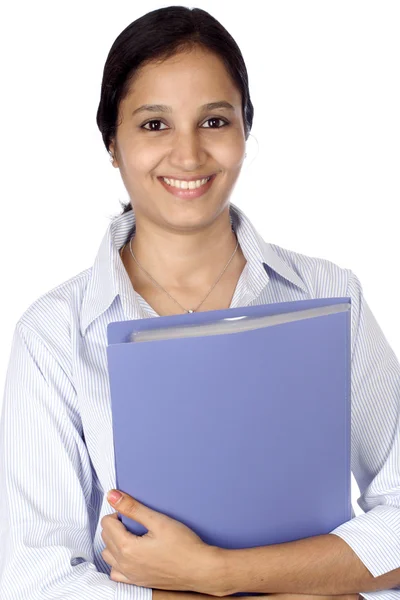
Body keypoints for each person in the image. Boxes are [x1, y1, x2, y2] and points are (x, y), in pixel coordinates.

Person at [0, 6, 399, 600]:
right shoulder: (55, 332)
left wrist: (213, 574)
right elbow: (36, 577)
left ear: (244, 130)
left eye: (214, 121)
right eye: (154, 125)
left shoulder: (327, 294)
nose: (188, 156)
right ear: (112, 143)